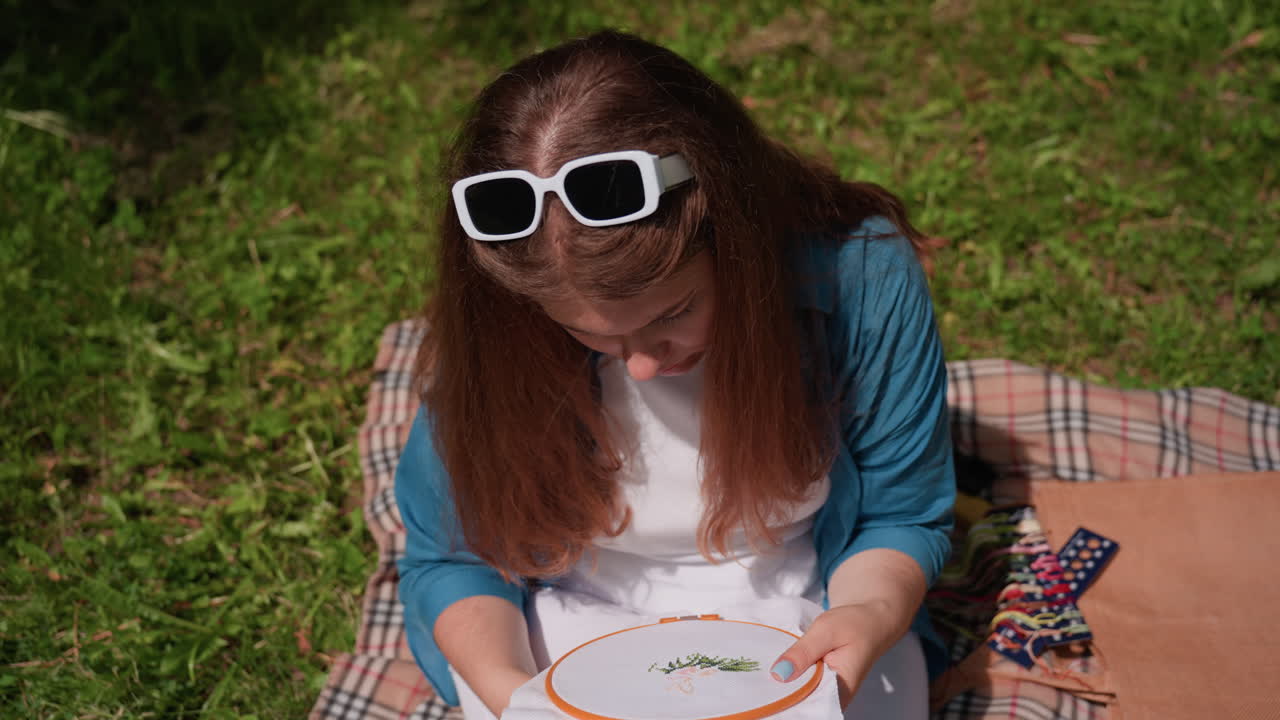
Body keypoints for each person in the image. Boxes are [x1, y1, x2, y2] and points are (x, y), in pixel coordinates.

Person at [395, 30, 955, 720]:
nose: (642, 363)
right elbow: (453, 559)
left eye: (675, 310)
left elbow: (899, 513)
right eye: (588, 335)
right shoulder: (502, 326)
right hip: (569, 630)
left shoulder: (860, 278)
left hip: (809, 615)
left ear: (736, 235)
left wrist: (869, 615)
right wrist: (520, 699)